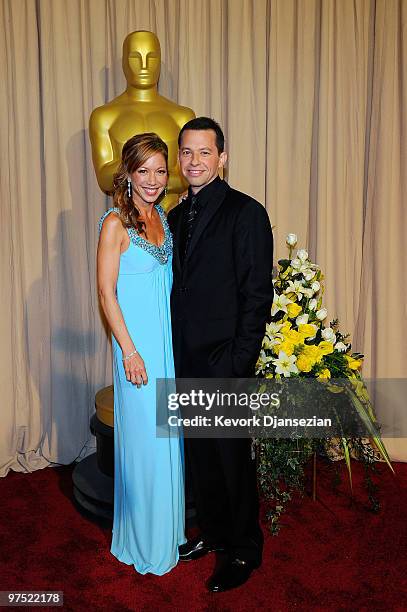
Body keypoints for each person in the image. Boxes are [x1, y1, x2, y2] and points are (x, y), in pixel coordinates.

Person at [168, 117, 274, 592]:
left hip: (225, 362)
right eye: (186, 153)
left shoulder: (246, 212)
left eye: (204, 153)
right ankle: (212, 534)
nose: (194, 162)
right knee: (200, 457)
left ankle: (244, 550)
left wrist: (239, 361)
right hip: (184, 360)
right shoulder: (172, 216)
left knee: (232, 460)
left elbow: (257, 294)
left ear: (223, 157)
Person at [97, 132, 185, 575]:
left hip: (165, 345)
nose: (152, 179)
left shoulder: (162, 218)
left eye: (159, 170)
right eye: (143, 170)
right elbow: (107, 294)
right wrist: (129, 353)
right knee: (146, 446)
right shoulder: (115, 223)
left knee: (166, 440)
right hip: (138, 351)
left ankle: (168, 531)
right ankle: (144, 541)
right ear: (128, 174)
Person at [89, 30, 195, 209]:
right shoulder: (104, 116)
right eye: (135, 58)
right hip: (127, 222)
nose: (144, 65)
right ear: (124, 62)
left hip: (174, 220)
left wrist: (140, 176)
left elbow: (190, 174)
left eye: (151, 58)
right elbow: (105, 179)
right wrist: (158, 176)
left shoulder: (182, 116)